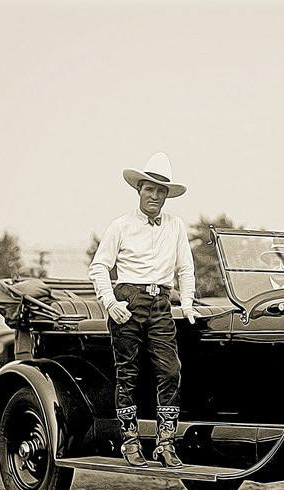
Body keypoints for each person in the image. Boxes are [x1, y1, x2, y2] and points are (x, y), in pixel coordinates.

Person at [89, 152, 198, 469]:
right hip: (128, 299)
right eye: (149, 188)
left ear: (167, 195)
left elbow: (185, 270)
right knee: (129, 373)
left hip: (161, 303)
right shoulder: (120, 226)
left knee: (170, 371)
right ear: (139, 190)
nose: (155, 195)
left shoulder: (176, 226)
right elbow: (99, 268)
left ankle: (166, 444)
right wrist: (111, 304)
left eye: (161, 190)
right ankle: (130, 443)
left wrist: (187, 302)